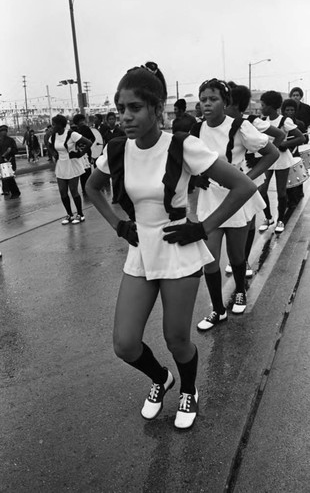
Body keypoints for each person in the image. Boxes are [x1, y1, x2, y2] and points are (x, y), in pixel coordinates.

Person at [86, 61, 257, 430]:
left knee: (177, 338)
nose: (126, 117)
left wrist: (203, 227)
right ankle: (161, 378)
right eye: (120, 108)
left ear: (156, 107)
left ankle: (189, 391)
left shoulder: (182, 145)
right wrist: (119, 225)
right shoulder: (117, 149)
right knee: (125, 343)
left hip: (178, 249)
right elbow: (91, 188)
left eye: (134, 108)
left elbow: (243, 186)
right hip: (141, 250)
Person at [190, 78, 279, 330]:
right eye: (203, 99)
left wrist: (246, 180)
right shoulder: (196, 130)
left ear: (225, 101)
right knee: (209, 258)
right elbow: (188, 163)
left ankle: (240, 290)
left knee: (237, 255)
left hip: (237, 199)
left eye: (213, 99)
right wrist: (197, 178)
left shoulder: (240, 127)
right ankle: (218, 310)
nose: (207, 104)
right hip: (209, 201)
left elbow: (271, 152)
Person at [224, 82, 285, 277]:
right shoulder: (220, 123)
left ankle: (244, 261)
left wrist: (259, 151)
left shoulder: (252, 121)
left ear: (237, 105)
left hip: (249, 174)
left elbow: (280, 134)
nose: (224, 107)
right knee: (231, 220)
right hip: (228, 177)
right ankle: (237, 259)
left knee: (248, 220)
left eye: (228, 103)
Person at [259, 91, 305, 233]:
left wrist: (284, 144)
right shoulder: (263, 120)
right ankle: (268, 217)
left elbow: (301, 138)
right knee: (262, 189)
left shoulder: (284, 121)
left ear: (271, 106)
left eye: (263, 105)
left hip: (282, 159)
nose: (261, 108)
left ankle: (280, 220)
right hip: (267, 159)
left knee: (281, 192)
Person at [49, 114, 92, 224]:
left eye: (54, 124)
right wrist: (54, 154)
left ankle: (80, 214)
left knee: (74, 191)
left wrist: (80, 154)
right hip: (61, 165)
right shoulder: (53, 136)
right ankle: (69, 214)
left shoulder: (71, 134)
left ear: (60, 125)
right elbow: (49, 145)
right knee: (63, 192)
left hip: (72, 164)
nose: (52, 126)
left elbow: (88, 142)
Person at [282, 98, 309, 207]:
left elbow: (305, 139)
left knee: (297, 175)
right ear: (283, 111)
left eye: (292, 110)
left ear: (295, 111)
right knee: (287, 179)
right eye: (287, 110)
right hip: (284, 154)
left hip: (296, 153)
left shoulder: (300, 124)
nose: (289, 112)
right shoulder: (281, 123)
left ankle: (298, 194)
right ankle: (290, 199)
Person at [72, 114, 95, 195]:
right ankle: (84, 189)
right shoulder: (74, 130)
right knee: (82, 171)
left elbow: (93, 138)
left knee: (87, 170)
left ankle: (88, 188)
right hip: (79, 152)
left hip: (86, 151)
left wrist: (86, 144)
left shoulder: (86, 128)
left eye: (83, 120)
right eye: (80, 121)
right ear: (76, 122)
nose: (82, 122)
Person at [0, 124, 21, 199]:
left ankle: (15, 192)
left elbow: (16, 150)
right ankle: (6, 190)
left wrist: (9, 151)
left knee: (10, 179)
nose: (4, 133)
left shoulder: (10, 140)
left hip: (9, 162)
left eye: (5, 131)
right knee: (4, 178)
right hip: (2, 162)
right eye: (2, 131)